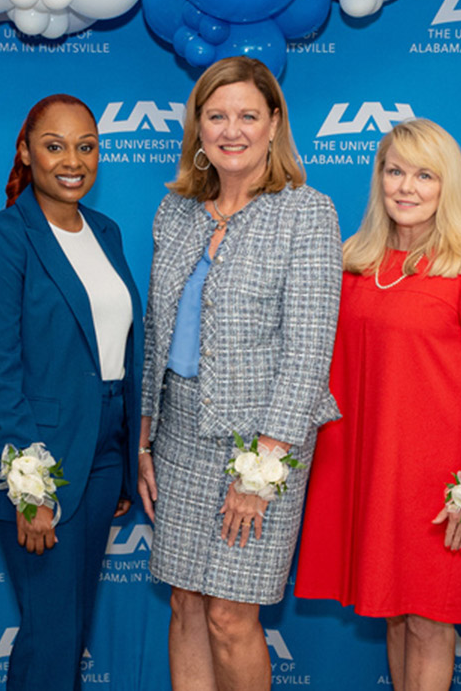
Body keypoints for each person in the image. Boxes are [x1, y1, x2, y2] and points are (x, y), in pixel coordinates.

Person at [137, 55, 341, 690]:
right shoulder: (175, 213)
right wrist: (144, 436)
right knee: (186, 605)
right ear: (198, 127)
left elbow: (309, 352)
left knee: (230, 615)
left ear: (274, 123)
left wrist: (260, 470)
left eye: (248, 115)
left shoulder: (307, 212)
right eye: (216, 115)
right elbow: (158, 334)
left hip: (261, 442)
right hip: (177, 435)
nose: (232, 130)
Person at [296, 119, 461, 691]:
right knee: (394, 613)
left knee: (431, 622)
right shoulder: (353, 263)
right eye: (395, 172)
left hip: (442, 479)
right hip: (370, 467)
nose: (406, 187)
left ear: (448, 187)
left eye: (424, 175)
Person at [0, 94, 143, 690]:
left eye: (86, 146)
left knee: (69, 630)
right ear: (25, 151)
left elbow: (110, 353)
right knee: (51, 633)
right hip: (42, 460)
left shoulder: (107, 232)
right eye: (55, 145)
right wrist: (30, 486)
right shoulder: (3, 238)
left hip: (104, 452)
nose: (73, 160)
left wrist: (118, 467)